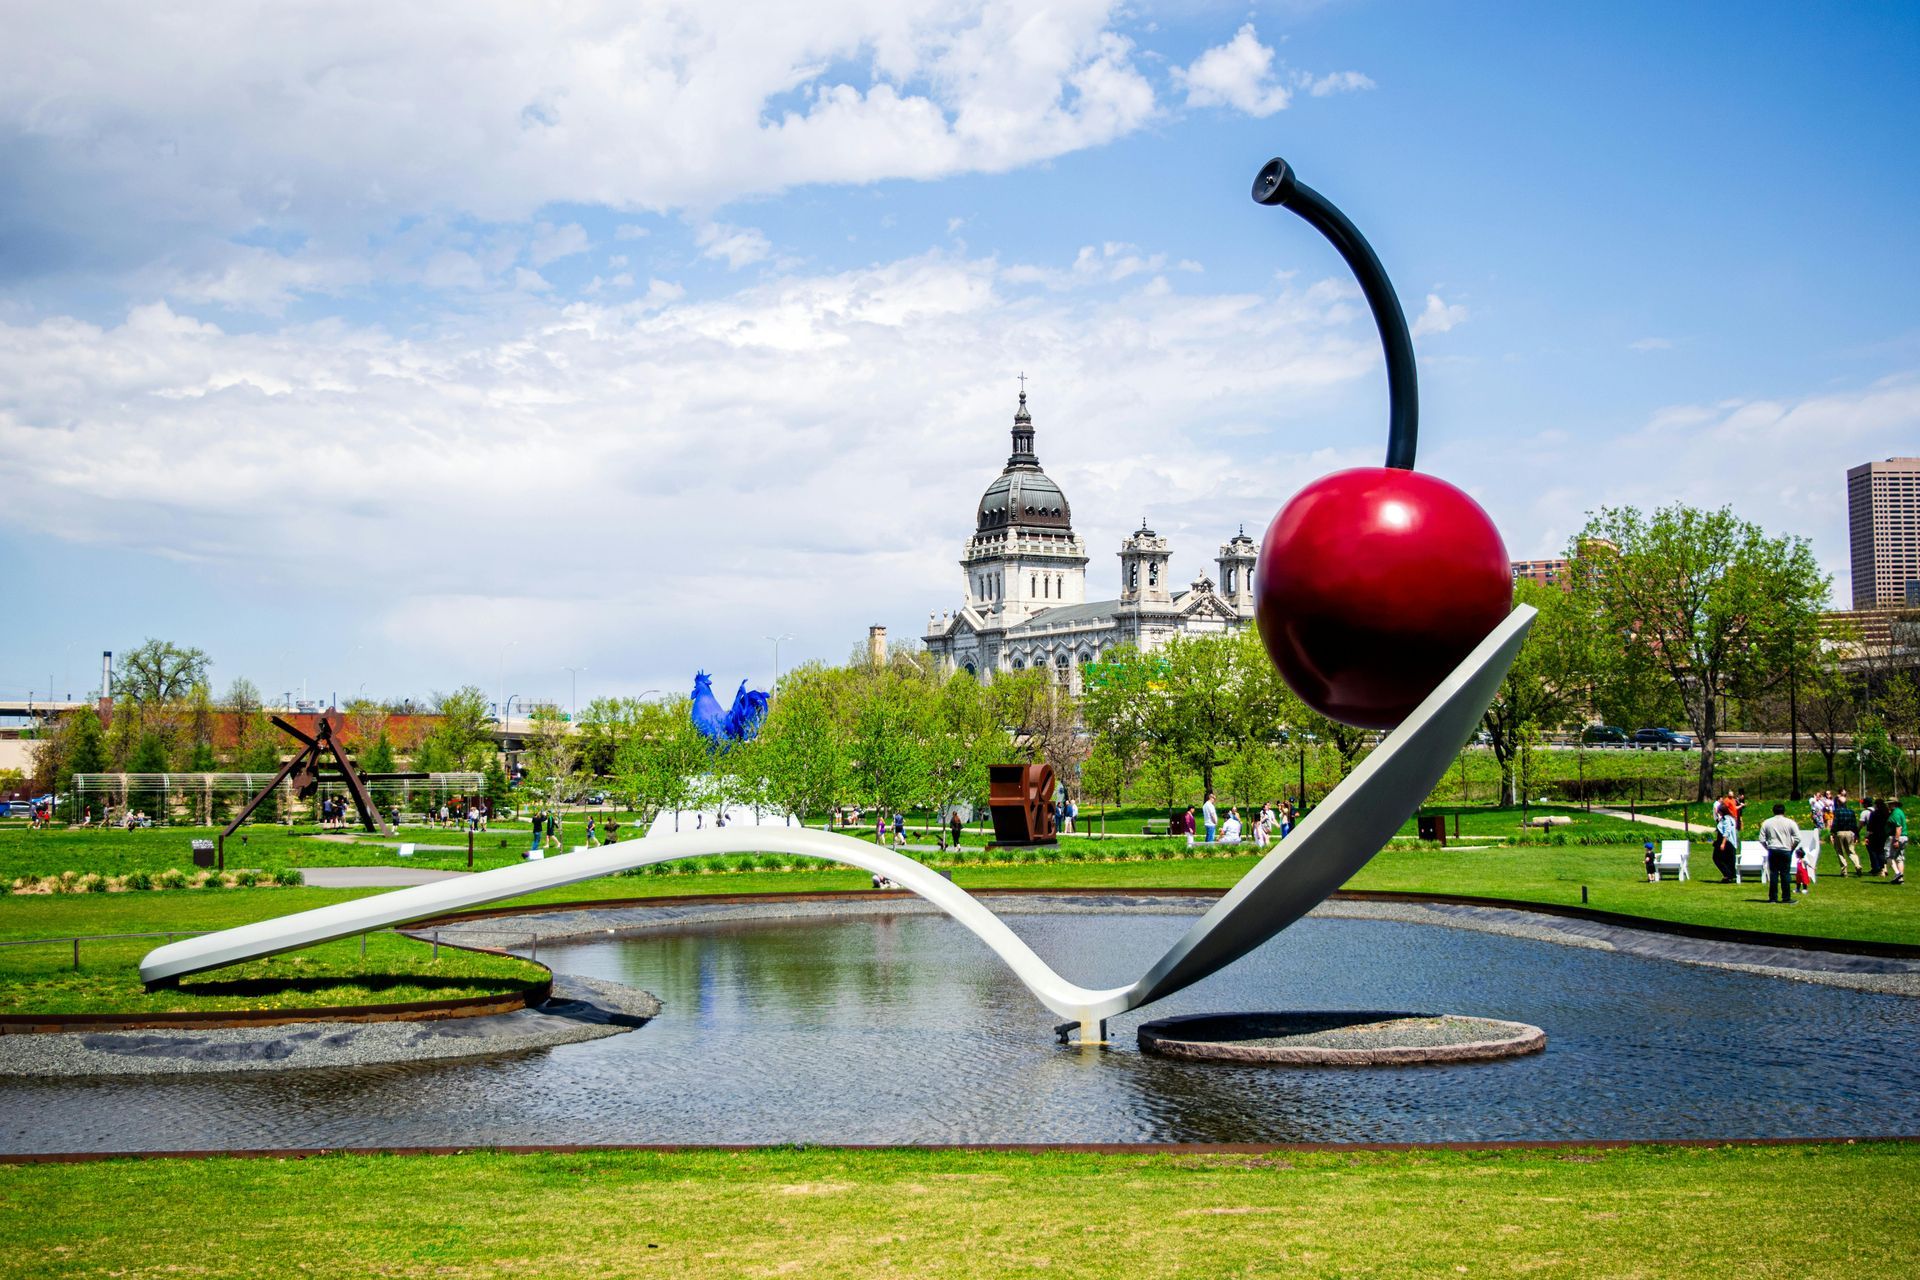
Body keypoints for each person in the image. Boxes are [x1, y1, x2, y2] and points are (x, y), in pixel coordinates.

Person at [1759, 802, 1801, 905]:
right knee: (1785, 874)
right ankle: (1786, 898)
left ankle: (1773, 898)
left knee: (1773, 874)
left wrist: (1767, 847)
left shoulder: (1767, 822)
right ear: (1784, 811)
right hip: (1785, 850)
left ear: (1773, 811)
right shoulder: (1790, 822)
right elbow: (1798, 838)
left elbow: (1761, 839)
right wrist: (1792, 848)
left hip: (1773, 850)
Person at [1712, 804, 1739, 882]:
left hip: (1726, 842)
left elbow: (1726, 832)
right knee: (1726, 859)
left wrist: (1723, 843)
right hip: (1722, 841)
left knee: (1716, 857)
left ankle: (1728, 874)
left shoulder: (1727, 819)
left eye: (1718, 810)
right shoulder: (1725, 818)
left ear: (1722, 811)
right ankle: (1729, 876)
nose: (1717, 811)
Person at [1863, 798, 1890, 877]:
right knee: (1882, 851)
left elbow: (1870, 827)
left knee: (1876, 852)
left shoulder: (1874, 814)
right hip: (1885, 834)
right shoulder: (1887, 813)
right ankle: (1885, 868)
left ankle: (1880, 869)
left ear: (1876, 805)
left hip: (1875, 835)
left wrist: (1867, 836)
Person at [1890, 799, 1908, 886]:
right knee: (1900, 858)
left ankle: (1898, 874)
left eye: (1889, 804)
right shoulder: (1900, 812)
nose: (1888, 806)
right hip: (1904, 836)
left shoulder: (1895, 813)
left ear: (1894, 804)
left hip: (1899, 837)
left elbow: (1898, 827)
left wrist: (1896, 840)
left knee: (1889, 856)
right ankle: (1900, 879)